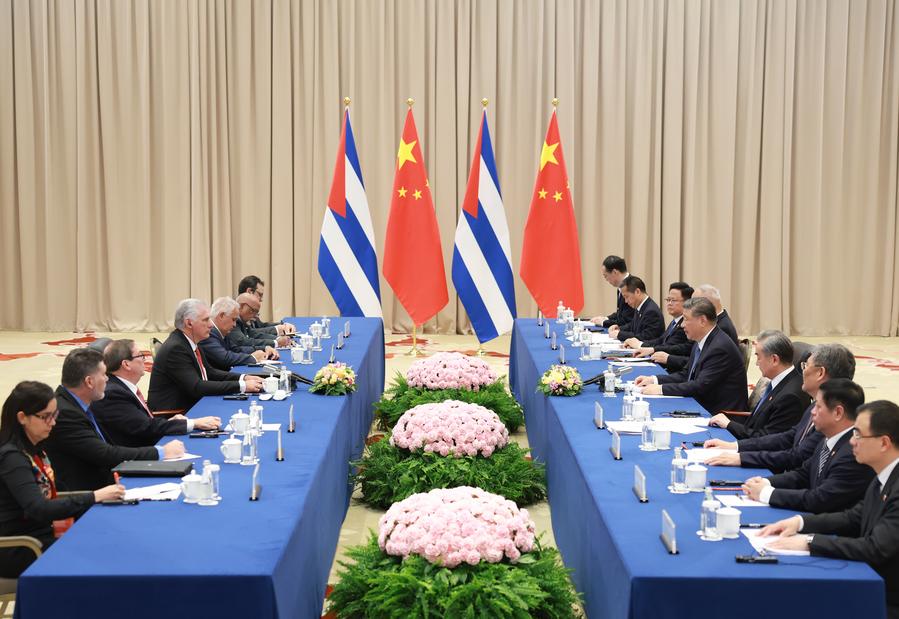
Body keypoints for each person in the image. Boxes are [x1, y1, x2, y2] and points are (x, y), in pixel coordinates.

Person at [759, 401, 899, 617]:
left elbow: (876, 548)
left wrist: (810, 541)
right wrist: (800, 523)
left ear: (884, 443)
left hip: (884, 597)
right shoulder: (884, 475)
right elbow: (853, 517)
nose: (852, 442)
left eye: (859, 435)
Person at [0, 382, 125, 577]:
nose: (53, 423)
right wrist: (93, 497)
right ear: (22, 418)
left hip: (41, 535)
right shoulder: (12, 458)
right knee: (103, 551)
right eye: (45, 417)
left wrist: (95, 497)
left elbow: (51, 496)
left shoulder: (34, 449)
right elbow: (39, 508)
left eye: (54, 415)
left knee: (110, 536)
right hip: (22, 546)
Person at [40, 349, 183, 492]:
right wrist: (161, 452)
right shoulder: (64, 413)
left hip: (108, 479)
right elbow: (105, 454)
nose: (107, 379)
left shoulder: (77, 402)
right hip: (88, 495)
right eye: (103, 375)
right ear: (89, 381)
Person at [704, 344, 855, 473]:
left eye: (805, 365)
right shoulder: (815, 405)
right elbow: (788, 437)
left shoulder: (833, 416)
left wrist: (741, 457)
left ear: (820, 373)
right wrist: (735, 446)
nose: (802, 371)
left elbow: (796, 457)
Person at [742, 379, 873, 513]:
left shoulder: (853, 452)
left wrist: (766, 494)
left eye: (819, 407)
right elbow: (803, 475)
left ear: (838, 413)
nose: (812, 412)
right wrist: (765, 482)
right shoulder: (829, 437)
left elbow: (820, 499)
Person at [90, 340, 220, 448]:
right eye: (140, 356)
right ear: (126, 364)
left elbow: (141, 423)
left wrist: (170, 421)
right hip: (138, 459)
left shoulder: (122, 387)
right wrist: (194, 423)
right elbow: (145, 427)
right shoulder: (113, 393)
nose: (144, 359)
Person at [634, 297, 748, 413]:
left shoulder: (720, 347)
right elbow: (686, 375)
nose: (682, 325)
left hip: (719, 414)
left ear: (702, 321)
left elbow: (699, 386)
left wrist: (660, 389)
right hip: (702, 404)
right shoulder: (702, 340)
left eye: (686, 319)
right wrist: (654, 380)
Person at [148, 299, 264, 412]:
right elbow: (197, 387)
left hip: (194, 403)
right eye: (206, 320)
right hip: (177, 413)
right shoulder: (176, 348)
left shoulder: (189, 341)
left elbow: (209, 372)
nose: (211, 325)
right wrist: (242, 386)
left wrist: (243, 378)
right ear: (189, 323)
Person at [707, 330, 808, 439]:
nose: (756, 363)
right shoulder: (779, 382)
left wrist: (729, 424)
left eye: (758, 357)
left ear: (774, 359)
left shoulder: (790, 397)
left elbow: (767, 439)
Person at [199, 297, 278, 371]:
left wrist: (264, 348)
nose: (234, 325)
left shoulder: (221, 331)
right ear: (221, 315)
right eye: (233, 320)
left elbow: (237, 349)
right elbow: (225, 358)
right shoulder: (208, 333)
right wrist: (253, 358)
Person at [626, 281, 693, 357]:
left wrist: (640, 345)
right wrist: (640, 343)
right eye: (668, 300)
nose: (669, 303)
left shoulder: (684, 324)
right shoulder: (675, 321)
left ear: (686, 302)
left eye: (673, 300)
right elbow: (661, 340)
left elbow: (668, 346)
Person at [607, 276, 665, 343]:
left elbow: (645, 336)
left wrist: (620, 335)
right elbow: (633, 325)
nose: (626, 301)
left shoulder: (651, 311)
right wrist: (619, 329)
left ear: (637, 292)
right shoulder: (641, 306)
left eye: (627, 297)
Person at [590, 256, 634, 328]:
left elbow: (627, 319)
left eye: (606, 276)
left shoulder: (631, 286)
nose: (606, 280)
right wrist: (606, 318)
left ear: (614, 272)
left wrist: (604, 322)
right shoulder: (622, 285)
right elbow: (621, 314)